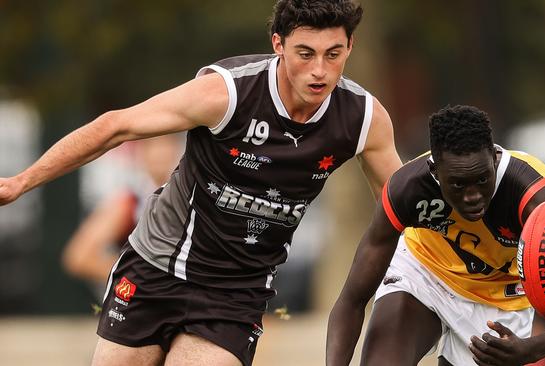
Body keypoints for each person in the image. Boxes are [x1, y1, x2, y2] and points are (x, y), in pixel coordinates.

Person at [0, 1, 403, 365]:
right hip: (157, 264)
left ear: (349, 47)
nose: (320, 70)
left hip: (236, 290)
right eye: (305, 53)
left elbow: (401, 208)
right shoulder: (227, 93)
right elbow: (115, 126)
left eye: (333, 55)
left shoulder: (363, 118)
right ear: (278, 44)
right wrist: (21, 182)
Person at [326, 105, 545, 366]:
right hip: (425, 273)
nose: (473, 196)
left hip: (501, 300)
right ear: (436, 171)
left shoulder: (535, 199)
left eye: (482, 180)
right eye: (458, 185)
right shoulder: (407, 189)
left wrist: (532, 348)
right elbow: (351, 300)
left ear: (494, 156)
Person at [61, 134, 183, 298]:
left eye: (166, 145)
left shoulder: (189, 197)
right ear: (141, 153)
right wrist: (141, 278)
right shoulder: (130, 202)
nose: (160, 154)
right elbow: (78, 257)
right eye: (153, 146)